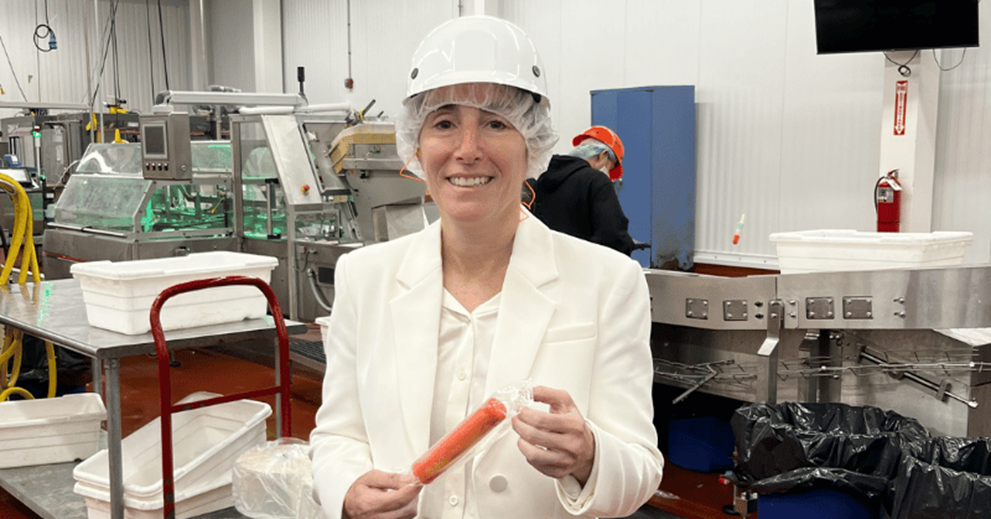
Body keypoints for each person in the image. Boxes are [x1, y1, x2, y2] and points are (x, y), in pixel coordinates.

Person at [309, 16, 663, 519]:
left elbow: (640, 467)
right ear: (417, 146)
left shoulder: (607, 282)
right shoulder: (365, 278)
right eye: (444, 124)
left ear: (531, 145)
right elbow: (338, 434)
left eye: (496, 123)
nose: (467, 150)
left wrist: (590, 456)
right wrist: (346, 490)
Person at [526, 126, 636, 256]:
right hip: (582, 266)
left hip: (543, 263)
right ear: (602, 156)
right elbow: (613, 238)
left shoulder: (541, 177)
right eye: (608, 167)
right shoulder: (596, 181)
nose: (607, 174)